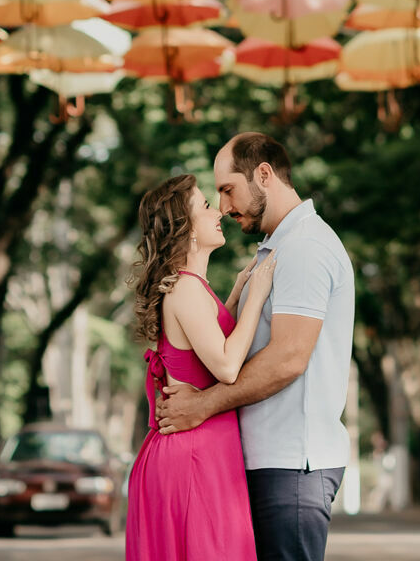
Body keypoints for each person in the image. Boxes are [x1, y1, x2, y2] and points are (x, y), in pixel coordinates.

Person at [156, 133, 355, 561]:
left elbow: (288, 358)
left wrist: (203, 405)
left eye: (228, 190)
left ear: (263, 175)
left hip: (292, 463)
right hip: (264, 460)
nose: (224, 206)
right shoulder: (276, 248)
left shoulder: (304, 247)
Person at [124, 172, 276, 560]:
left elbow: (206, 343)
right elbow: (226, 367)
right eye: (206, 206)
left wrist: (236, 295)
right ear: (186, 228)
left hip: (199, 450)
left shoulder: (192, 286)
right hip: (193, 455)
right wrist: (256, 297)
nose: (217, 212)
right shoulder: (185, 289)